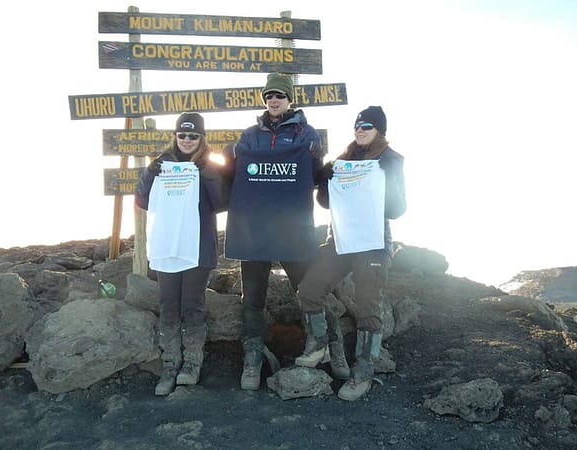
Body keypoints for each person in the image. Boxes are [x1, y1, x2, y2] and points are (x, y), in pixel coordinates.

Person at [222, 73, 349, 391]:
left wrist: (325, 171)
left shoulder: (307, 136)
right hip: (255, 231)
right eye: (269, 96)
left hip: (292, 228)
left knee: (310, 291)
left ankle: (335, 351)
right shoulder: (249, 137)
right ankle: (252, 359)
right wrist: (227, 163)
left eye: (279, 95)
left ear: (290, 98)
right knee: (252, 299)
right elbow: (232, 178)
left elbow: (316, 179)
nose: (274, 100)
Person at [294, 105, 407, 401]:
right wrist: (326, 180)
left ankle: (363, 372)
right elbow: (327, 204)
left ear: (380, 131)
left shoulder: (390, 160)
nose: (360, 130)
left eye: (367, 126)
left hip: (372, 244)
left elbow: (397, 210)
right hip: (340, 242)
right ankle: (318, 344)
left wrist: (385, 181)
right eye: (357, 126)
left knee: (368, 309)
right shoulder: (343, 160)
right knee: (309, 288)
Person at [135, 112, 229, 396]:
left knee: (192, 305)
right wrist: (150, 174)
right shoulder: (162, 164)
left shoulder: (208, 167)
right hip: (168, 248)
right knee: (168, 305)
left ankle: (191, 364)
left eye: (193, 135)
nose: (187, 140)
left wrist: (209, 175)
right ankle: (169, 364)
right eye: (182, 135)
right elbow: (142, 201)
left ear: (202, 138)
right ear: (175, 136)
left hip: (198, 248)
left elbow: (222, 203)